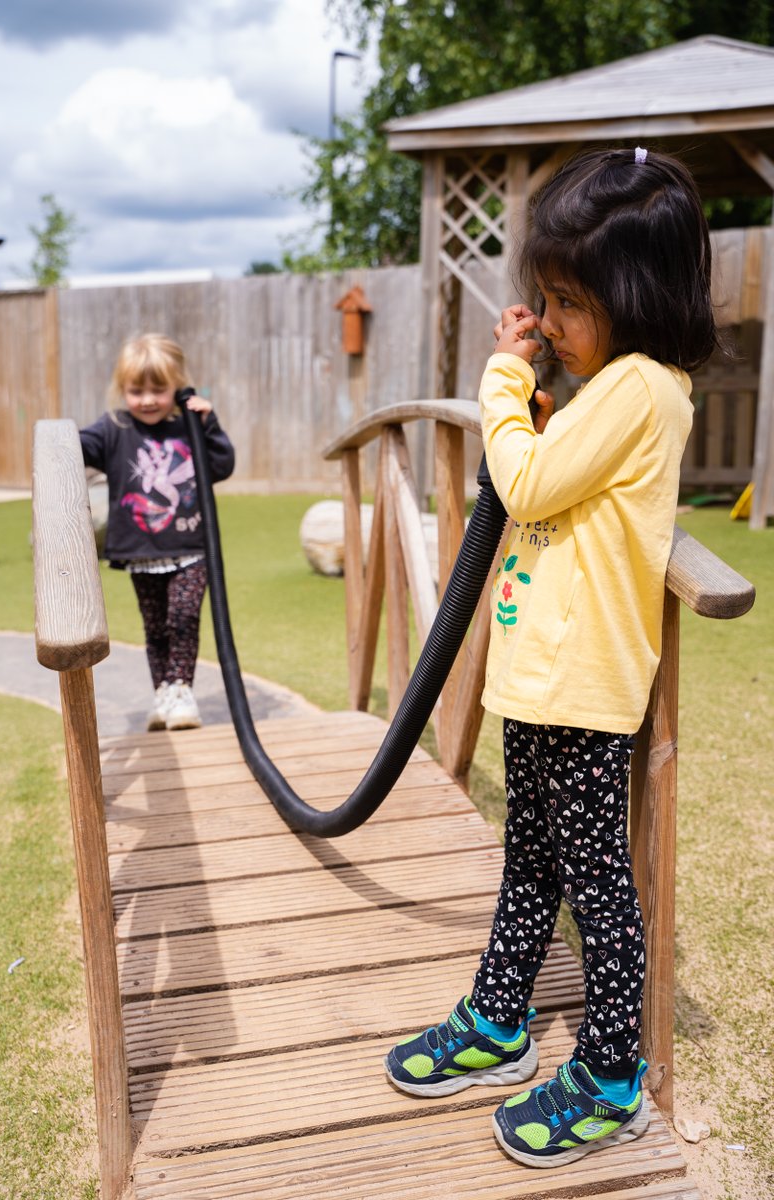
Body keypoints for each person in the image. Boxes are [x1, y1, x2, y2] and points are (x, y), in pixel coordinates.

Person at [385, 147, 718, 1168]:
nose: (551, 322)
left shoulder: (641, 390)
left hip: (581, 688)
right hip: (540, 680)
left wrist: (498, 379)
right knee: (528, 860)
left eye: (566, 304)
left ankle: (612, 1072)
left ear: (636, 296)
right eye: (543, 301)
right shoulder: (602, 388)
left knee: (592, 880)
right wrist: (536, 392)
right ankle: (498, 1019)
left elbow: (524, 487)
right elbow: (551, 475)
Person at [80, 333, 235, 732]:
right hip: (141, 551)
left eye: (159, 390)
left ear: (177, 387)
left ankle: (181, 691)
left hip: (190, 545)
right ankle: (163, 695)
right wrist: (54, 439)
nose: (147, 399)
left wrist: (208, 423)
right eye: (136, 390)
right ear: (122, 389)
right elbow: (78, 448)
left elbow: (221, 465)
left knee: (182, 617)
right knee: (155, 628)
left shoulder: (189, 426)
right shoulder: (114, 428)